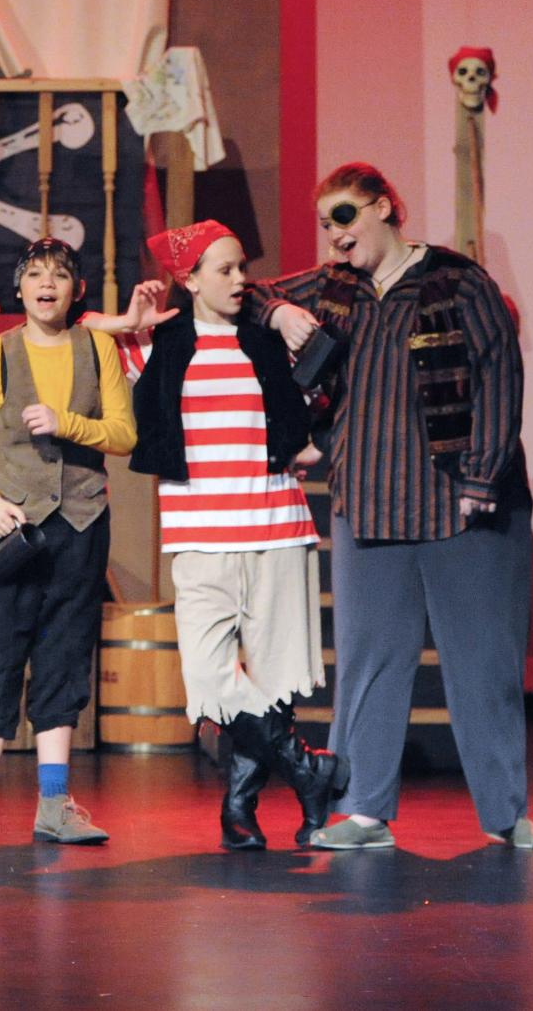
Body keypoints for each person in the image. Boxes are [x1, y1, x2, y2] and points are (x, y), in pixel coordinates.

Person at [255, 163, 533, 850]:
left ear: (385, 207)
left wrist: (481, 477)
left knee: (484, 664)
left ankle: (506, 814)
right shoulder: (332, 288)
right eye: (325, 224)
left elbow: (499, 376)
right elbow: (246, 292)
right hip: (370, 498)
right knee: (368, 662)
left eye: (345, 216)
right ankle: (363, 810)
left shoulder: (458, 282)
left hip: (461, 503)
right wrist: (279, 311)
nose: (335, 235)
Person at [98, 222, 346, 851]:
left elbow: (342, 387)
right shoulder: (158, 342)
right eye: (226, 270)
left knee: (274, 680)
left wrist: (320, 443)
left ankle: (240, 809)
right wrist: (127, 321)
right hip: (200, 534)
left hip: (276, 526)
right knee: (209, 677)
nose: (241, 280)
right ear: (190, 279)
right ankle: (307, 770)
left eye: (242, 268)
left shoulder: (269, 341)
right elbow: (68, 328)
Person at [0, 238, 134, 848]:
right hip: (12, 524)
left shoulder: (98, 348)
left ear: (77, 290)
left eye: (60, 275)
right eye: (36, 274)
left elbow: (124, 434)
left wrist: (66, 423)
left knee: (64, 654)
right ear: (19, 288)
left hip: (80, 521)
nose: (48, 284)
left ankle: (54, 802)